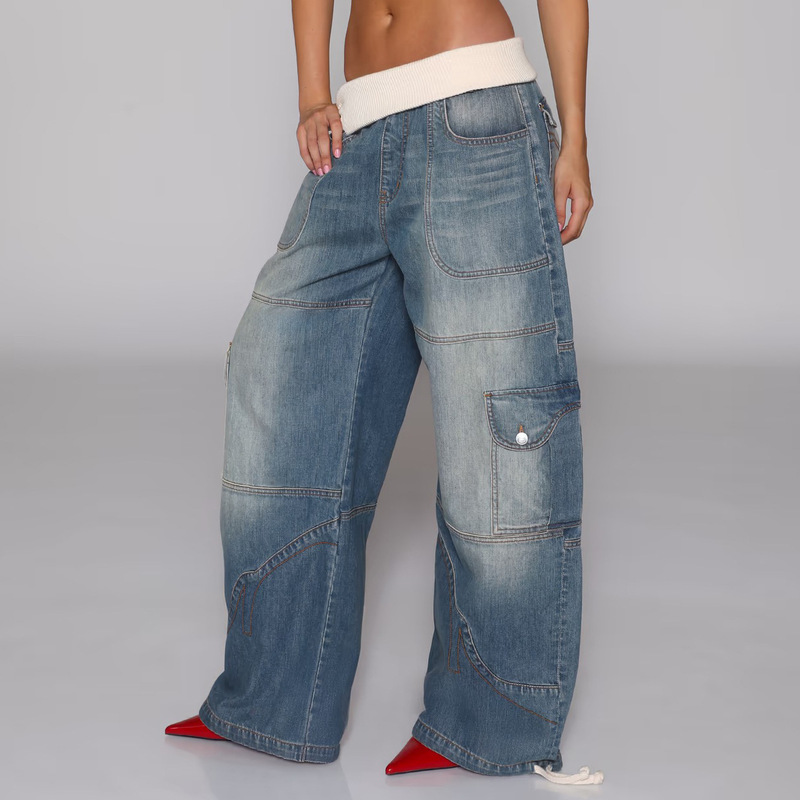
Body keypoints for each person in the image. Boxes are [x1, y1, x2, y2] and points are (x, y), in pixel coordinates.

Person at [166, 0, 602, 785]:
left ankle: (490, 723)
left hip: (477, 116)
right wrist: (313, 95)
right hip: (359, 129)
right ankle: (274, 699)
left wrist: (574, 136)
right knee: (282, 382)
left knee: (495, 423)